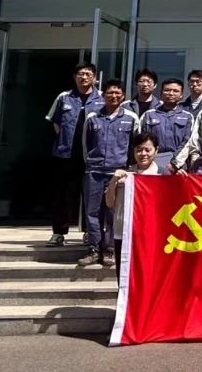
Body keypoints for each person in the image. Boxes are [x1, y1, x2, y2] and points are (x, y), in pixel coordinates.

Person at [79, 79, 140, 267]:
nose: (114, 96)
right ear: (103, 95)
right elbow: (85, 144)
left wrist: (129, 169)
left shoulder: (131, 118)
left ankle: (110, 249)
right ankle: (94, 249)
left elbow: (135, 146)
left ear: (123, 96)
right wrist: (91, 163)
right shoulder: (92, 117)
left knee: (114, 212)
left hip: (119, 172)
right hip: (94, 171)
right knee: (92, 211)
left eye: (118, 93)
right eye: (110, 92)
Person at [44, 62, 104, 247]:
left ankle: (88, 232)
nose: (84, 77)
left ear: (94, 78)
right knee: (62, 194)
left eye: (88, 74)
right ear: (74, 77)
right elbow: (55, 122)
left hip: (92, 156)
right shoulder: (64, 97)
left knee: (91, 195)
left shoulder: (102, 98)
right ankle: (59, 233)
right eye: (80, 74)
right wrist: (65, 140)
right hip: (66, 155)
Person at [104, 132, 163, 271]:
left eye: (147, 150)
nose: (143, 154)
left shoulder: (163, 175)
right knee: (125, 275)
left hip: (152, 234)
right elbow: (109, 203)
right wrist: (113, 182)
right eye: (139, 150)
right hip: (124, 233)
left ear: (156, 150)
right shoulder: (125, 175)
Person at [139, 78, 194, 173]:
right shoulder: (148, 115)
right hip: (152, 165)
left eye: (175, 91)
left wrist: (175, 164)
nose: (171, 93)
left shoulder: (188, 117)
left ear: (181, 95)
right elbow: (141, 141)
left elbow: (188, 142)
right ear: (161, 93)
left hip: (179, 168)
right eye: (167, 90)